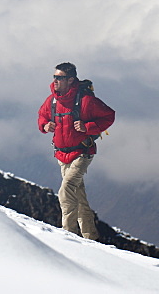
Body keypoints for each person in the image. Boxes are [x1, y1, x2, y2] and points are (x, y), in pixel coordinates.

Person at [37, 62, 115, 241]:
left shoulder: (85, 101)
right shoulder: (53, 101)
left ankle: (69, 237)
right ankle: (90, 237)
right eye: (54, 77)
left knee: (66, 191)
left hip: (82, 153)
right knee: (79, 199)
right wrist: (45, 125)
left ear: (71, 80)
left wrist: (88, 127)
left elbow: (109, 115)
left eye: (60, 77)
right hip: (62, 155)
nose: (55, 80)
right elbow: (42, 115)